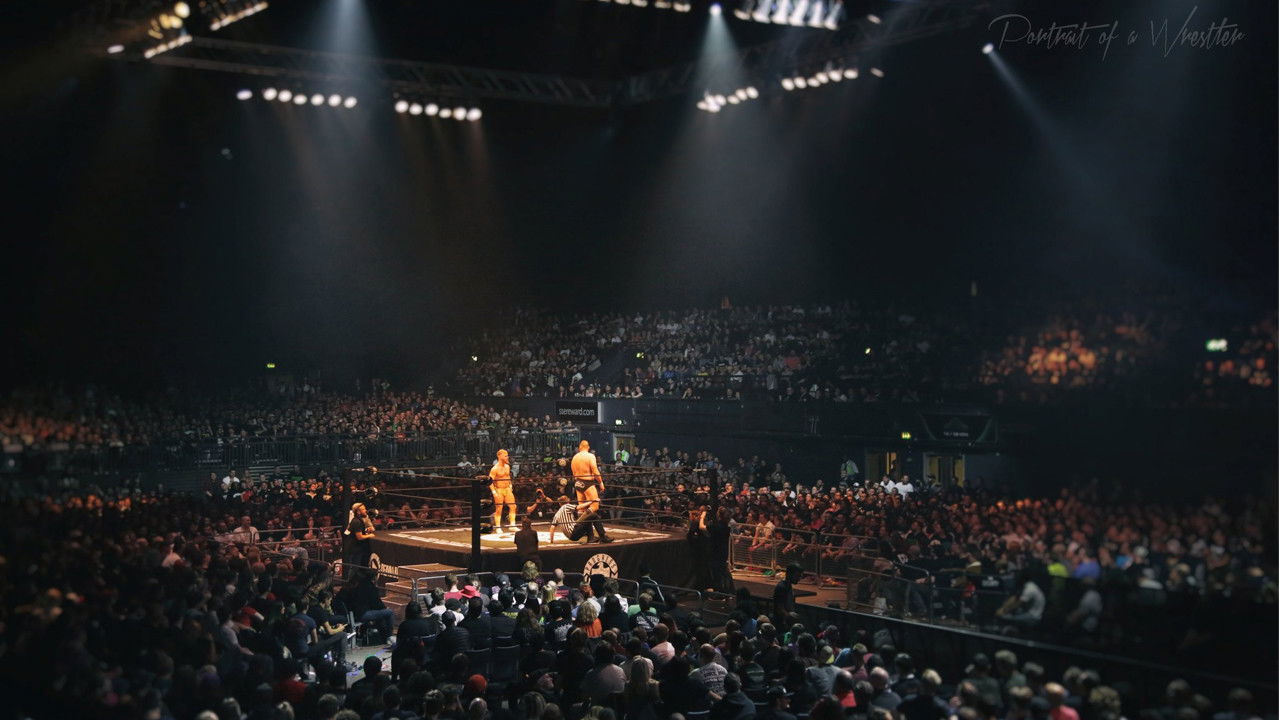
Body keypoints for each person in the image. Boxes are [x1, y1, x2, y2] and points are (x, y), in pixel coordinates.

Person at [569, 440, 612, 543]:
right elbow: (595, 470)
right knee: (594, 506)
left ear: (580, 447)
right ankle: (600, 535)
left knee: (582, 509)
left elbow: (573, 472)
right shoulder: (590, 456)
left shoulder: (575, 457)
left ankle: (590, 536)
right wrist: (600, 482)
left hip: (578, 483)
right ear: (588, 447)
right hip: (587, 482)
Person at [490, 449, 517, 533]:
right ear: (500, 456)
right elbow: (489, 482)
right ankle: (498, 527)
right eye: (505, 456)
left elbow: (508, 476)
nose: (507, 457)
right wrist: (494, 492)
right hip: (499, 490)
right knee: (499, 508)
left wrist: (510, 485)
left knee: (513, 506)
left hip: (507, 489)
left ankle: (512, 525)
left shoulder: (507, 466)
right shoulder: (495, 469)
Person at [345, 502, 376, 573]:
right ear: (358, 512)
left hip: (355, 548)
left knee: (356, 567)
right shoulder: (357, 522)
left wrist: (366, 530)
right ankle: (349, 580)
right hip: (354, 548)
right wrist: (369, 535)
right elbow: (359, 537)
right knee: (354, 568)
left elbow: (353, 532)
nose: (365, 510)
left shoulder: (357, 520)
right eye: (363, 509)